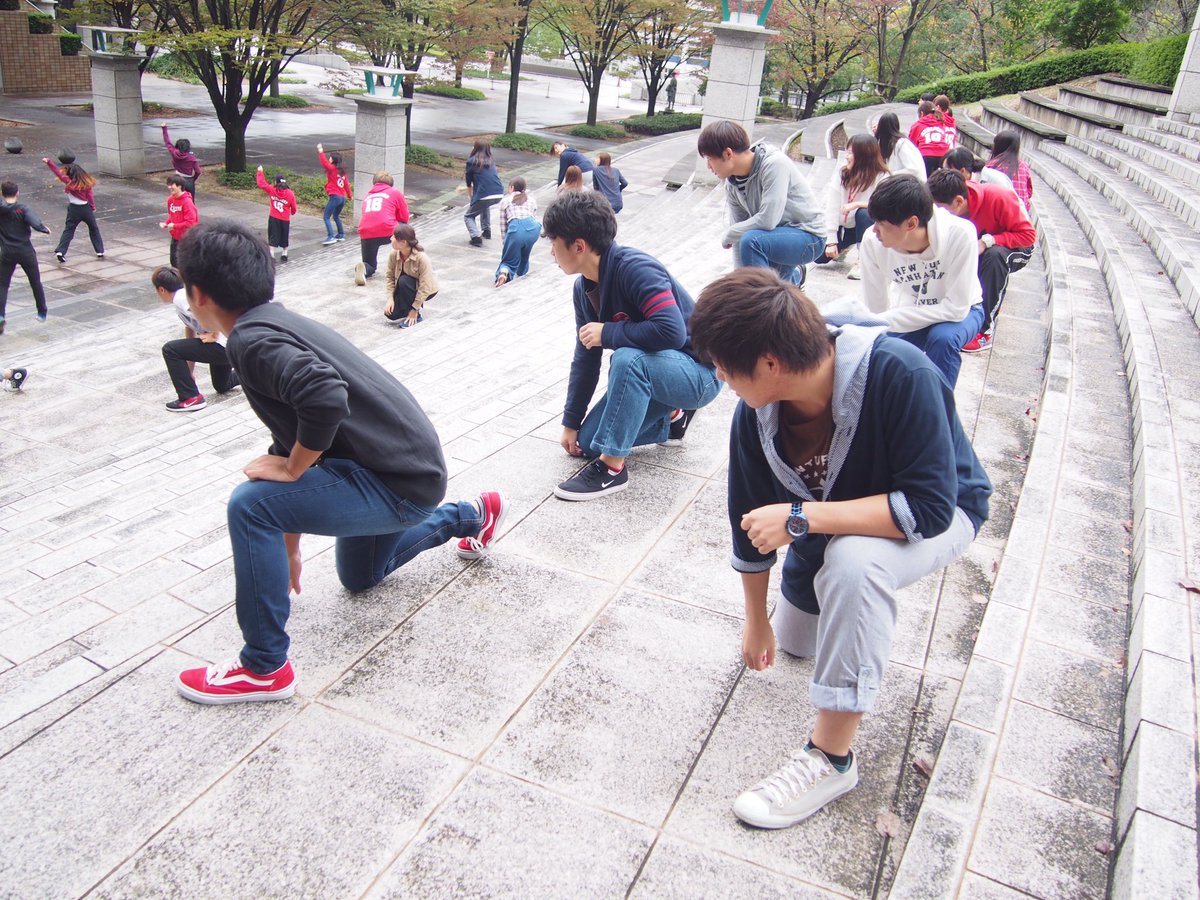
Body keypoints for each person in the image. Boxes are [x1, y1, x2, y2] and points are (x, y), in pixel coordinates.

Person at [686, 266, 991, 830]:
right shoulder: (756, 415)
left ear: (770, 364)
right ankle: (830, 598)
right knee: (798, 642)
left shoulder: (901, 372)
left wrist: (801, 518)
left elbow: (928, 508)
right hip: (832, 522)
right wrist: (757, 621)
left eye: (726, 369)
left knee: (854, 564)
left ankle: (831, 757)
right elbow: (748, 518)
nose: (723, 380)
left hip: (942, 512)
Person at [172, 219, 508, 704]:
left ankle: (263, 667)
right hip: (408, 470)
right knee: (359, 576)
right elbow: (289, 438)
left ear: (197, 294)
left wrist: (290, 472)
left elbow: (324, 398)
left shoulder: (250, 340)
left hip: (394, 480)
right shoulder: (276, 322)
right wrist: (288, 544)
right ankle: (471, 514)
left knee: (249, 505)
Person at [545, 191, 722, 500]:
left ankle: (612, 470)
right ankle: (673, 418)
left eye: (553, 242)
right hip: (661, 375)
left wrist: (609, 333)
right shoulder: (583, 289)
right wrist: (571, 422)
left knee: (628, 359)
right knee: (589, 442)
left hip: (700, 372)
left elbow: (672, 332)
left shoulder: (635, 268)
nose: (550, 252)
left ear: (578, 246)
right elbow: (585, 359)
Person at [858, 174, 983, 388]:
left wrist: (890, 319)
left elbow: (956, 309)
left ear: (911, 223)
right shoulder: (872, 241)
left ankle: (937, 413)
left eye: (881, 223)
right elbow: (875, 311)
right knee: (878, 354)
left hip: (964, 311)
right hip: (913, 310)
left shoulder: (960, 235)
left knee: (942, 339)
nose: (874, 230)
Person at [697, 120, 826, 288]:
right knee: (777, 288)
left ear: (728, 153)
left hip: (809, 237)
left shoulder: (774, 164)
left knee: (752, 242)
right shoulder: (732, 184)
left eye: (709, 159)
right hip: (775, 237)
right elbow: (739, 233)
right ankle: (793, 279)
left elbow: (768, 220)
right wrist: (739, 280)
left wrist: (731, 232)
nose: (708, 166)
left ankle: (761, 298)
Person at [927, 168, 1037, 354]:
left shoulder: (998, 197)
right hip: (979, 243)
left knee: (994, 258)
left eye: (942, 209)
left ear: (959, 202)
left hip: (1015, 245)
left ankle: (984, 329)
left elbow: (1028, 236)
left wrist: (989, 241)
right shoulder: (947, 200)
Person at [153, 264, 239, 412]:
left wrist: (214, 333)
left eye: (156, 291)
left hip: (224, 345)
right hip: (230, 346)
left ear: (162, 289)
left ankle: (190, 398)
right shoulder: (184, 296)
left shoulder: (180, 298)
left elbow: (213, 309)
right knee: (221, 385)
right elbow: (190, 331)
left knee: (170, 349)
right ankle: (253, 373)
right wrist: (189, 372)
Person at [813, 133, 889, 280]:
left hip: (866, 224)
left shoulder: (882, 176)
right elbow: (832, 206)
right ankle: (845, 245)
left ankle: (863, 261)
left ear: (864, 156)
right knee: (819, 257)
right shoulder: (842, 174)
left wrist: (857, 204)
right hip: (844, 225)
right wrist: (832, 241)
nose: (847, 156)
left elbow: (883, 205)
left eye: (851, 153)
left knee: (864, 213)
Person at [0, 180, 51, 334]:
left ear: (2, 194)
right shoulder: (22, 209)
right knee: (35, 282)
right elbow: (34, 221)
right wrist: (44, 229)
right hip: (25, 252)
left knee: (2, 285)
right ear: (17, 193)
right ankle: (42, 311)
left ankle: (1, 315)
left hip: (7, 252)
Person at [42, 157, 105, 262]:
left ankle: (60, 251)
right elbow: (90, 196)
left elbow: (57, 172)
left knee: (69, 230)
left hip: (73, 209)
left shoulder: (68, 182)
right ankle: (99, 250)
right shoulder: (86, 183)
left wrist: (49, 162)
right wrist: (92, 207)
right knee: (93, 228)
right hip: (85, 209)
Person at [355, 172, 409, 285]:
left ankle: (364, 268)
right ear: (391, 184)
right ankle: (405, 264)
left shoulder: (368, 196)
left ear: (374, 183)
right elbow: (404, 217)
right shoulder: (394, 192)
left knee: (370, 264)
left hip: (366, 232)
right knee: (405, 228)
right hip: (388, 230)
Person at [385, 223, 439, 328]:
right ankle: (407, 309)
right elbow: (390, 277)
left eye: (394, 237)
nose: (391, 238)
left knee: (404, 280)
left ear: (403, 242)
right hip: (406, 288)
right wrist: (390, 299)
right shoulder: (393, 254)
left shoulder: (421, 258)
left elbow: (425, 286)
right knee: (391, 314)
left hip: (425, 290)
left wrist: (415, 309)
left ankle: (416, 316)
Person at [495, 176, 540, 287]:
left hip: (516, 228)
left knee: (509, 260)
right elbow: (534, 216)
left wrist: (506, 241)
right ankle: (522, 273)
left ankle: (503, 273)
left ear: (512, 188)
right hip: (534, 228)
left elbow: (503, 224)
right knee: (525, 255)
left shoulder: (506, 200)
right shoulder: (531, 199)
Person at [464, 139, 504, 247]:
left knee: (468, 216)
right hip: (499, 192)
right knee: (484, 205)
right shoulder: (491, 161)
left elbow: (469, 183)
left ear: (475, 148)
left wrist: (471, 198)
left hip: (485, 193)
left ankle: (476, 238)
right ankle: (486, 231)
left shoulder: (471, 161)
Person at [255, 167, 298, 263]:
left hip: (274, 217)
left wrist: (260, 172)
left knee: (273, 236)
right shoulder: (290, 193)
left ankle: (272, 254)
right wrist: (292, 212)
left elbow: (261, 183)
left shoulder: (272, 190)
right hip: (285, 219)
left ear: (276, 182)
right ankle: (284, 253)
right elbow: (294, 207)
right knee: (284, 235)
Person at [986, 130, 1034, 213]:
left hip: (999, 212)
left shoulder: (991, 166)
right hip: (1021, 213)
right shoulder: (1024, 166)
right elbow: (1029, 192)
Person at [160, 174, 198, 268]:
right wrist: (167, 223)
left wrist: (174, 226)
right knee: (174, 261)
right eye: (168, 184)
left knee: (183, 263)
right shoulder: (170, 200)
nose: (169, 187)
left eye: (172, 185)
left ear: (179, 186)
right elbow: (172, 215)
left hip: (186, 237)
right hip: (175, 236)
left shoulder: (187, 202)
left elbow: (190, 222)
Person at [908, 101, 955, 176]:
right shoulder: (941, 122)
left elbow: (911, 144)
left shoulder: (918, 124)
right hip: (943, 155)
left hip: (925, 155)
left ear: (922, 113)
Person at [872, 113, 925, 181]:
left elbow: (913, 169)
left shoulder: (902, 143)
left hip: (911, 185)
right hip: (899, 182)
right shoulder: (883, 142)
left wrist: (890, 174)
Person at [317, 143, 352, 245]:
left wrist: (320, 151)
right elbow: (346, 185)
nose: (329, 159)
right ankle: (341, 235)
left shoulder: (332, 168)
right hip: (342, 198)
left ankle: (330, 236)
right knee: (336, 216)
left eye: (330, 158)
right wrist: (350, 196)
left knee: (326, 217)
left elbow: (324, 163)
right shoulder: (342, 172)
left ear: (333, 160)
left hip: (335, 197)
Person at [941, 148, 1015, 195]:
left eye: (948, 171)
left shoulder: (996, 181)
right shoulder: (960, 183)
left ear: (962, 171)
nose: (945, 175)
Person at [160, 122, 201, 200]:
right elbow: (198, 172)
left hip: (177, 180)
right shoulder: (191, 157)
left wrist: (164, 128)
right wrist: (192, 179)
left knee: (177, 202)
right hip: (189, 181)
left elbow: (167, 142)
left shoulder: (174, 152)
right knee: (190, 203)